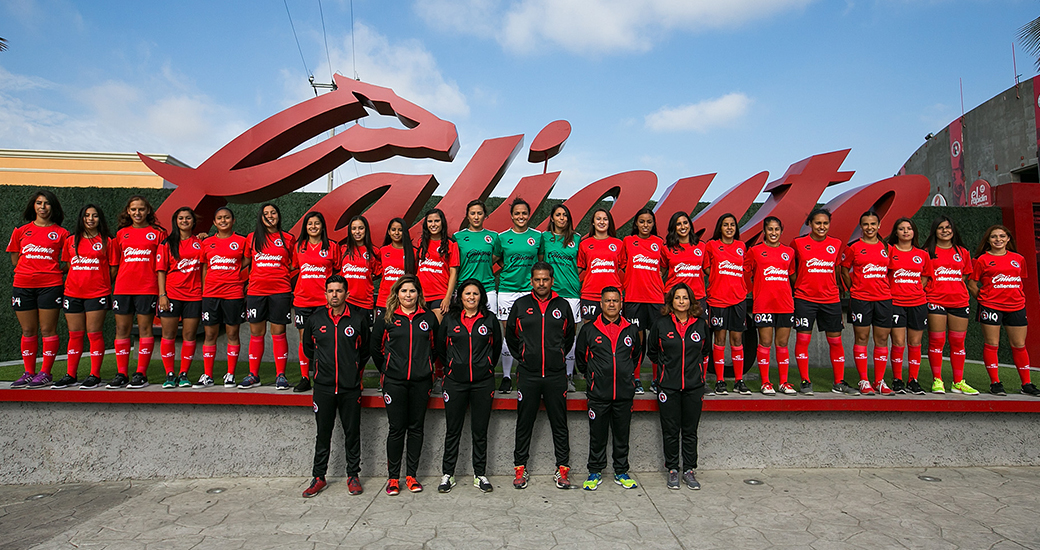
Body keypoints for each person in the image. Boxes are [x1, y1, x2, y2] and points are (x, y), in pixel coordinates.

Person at [506, 262, 576, 490]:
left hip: (556, 375)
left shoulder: (563, 305)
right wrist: (525, 357)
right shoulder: (520, 305)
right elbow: (511, 338)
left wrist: (556, 356)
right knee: (524, 422)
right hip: (529, 375)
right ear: (531, 281)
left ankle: (563, 469)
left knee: (560, 423)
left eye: (545, 279)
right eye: (537, 279)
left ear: (552, 281)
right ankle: (520, 468)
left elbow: (568, 338)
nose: (541, 283)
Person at [301, 274, 371, 498]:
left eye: (339, 291)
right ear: (325, 294)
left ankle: (353, 475)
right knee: (323, 433)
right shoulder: (315, 319)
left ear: (347, 294)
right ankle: (319, 477)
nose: (334, 295)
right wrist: (323, 370)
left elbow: (365, 351)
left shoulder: (358, 319)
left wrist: (352, 370)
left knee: (352, 433)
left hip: (350, 388)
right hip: (323, 387)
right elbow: (308, 349)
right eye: (330, 291)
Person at [371, 275, 439, 496]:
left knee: (416, 428)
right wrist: (388, 369)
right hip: (394, 382)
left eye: (412, 291)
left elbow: (436, 347)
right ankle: (393, 478)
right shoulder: (387, 317)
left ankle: (411, 476)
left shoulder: (428, 318)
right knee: (396, 428)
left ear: (418, 293)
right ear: (396, 294)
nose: (408, 295)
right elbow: (375, 348)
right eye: (403, 291)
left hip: (421, 381)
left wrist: (426, 367)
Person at [434, 279, 502, 493]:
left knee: (480, 430)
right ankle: (448, 474)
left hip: (483, 383)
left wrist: (486, 366)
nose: (471, 297)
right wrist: (453, 368)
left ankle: (480, 474)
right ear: (460, 297)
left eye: (475, 293)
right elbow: (440, 348)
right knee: (453, 430)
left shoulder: (490, 320)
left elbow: (497, 348)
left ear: (481, 296)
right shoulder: (450, 319)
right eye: (467, 294)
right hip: (455, 383)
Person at [575, 286, 641, 491]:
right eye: (607, 301)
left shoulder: (630, 329)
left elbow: (635, 356)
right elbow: (581, 359)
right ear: (601, 304)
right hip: (598, 393)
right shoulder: (589, 329)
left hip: (623, 393)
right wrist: (594, 378)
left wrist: (625, 376)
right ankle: (595, 471)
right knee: (597, 434)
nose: (611, 304)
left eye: (615, 301)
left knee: (622, 435)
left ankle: (621, 471)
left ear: (621, 304)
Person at [647, 283, 709, 490]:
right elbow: (652, 351)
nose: (681, 301)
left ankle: (689, 470)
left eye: (685, 298)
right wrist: (667, 370)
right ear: (671, 302)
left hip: (693, 386)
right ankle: (673, 469)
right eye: (677, 298)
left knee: (690, 430)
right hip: (668, 386)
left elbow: (705, 350)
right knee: (670, 430)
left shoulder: (700, 325)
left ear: (691, 301)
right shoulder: (661, 324)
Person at [967, 225, 1039, 396]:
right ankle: (995, 383)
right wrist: (985, 301)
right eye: (994, 237)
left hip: (1016, 306)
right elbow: (971, 284)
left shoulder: (1018, 259)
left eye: (1002, 236)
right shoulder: (981, 260)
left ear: (1008, 239)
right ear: (988, 240)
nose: (998, 239)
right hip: (991, 307)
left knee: (1019, 345)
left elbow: (1020, 281)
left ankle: (1026, 384)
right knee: (992, 344)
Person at [8, 190, 68, 388]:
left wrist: (50, 271)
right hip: (23, 285)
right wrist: (27, 272)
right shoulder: (21, 231)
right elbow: (15, 258)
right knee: (27, 329)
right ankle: (28, 372)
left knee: (47, 329)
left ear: (53, 207)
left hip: (50, 286)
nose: (43, 207)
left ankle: (45, 373)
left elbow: (67, 261)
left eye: (47, 203)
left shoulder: (62, 233)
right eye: (39, 203)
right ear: (33, 206)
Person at [792, 209, 856, 395]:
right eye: (818, 223)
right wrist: (801, 287)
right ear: (810, 224)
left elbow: (836, 269)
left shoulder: (836, 244)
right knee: (803, 339)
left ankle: (839, 382)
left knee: (835, 341)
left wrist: (838, 287)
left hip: (830, 299)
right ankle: (805, 381)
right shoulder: (798, 243)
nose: (822, 227)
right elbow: (792, 270)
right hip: (805, 299)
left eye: (825, 223)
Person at [109, 196, 167, 389]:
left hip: (147, 288)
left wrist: (161, 293)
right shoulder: (120, 234)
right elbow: (115, 265)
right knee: (122, 330)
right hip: (123, 288)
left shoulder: (158, 233)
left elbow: (162, 265)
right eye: (133, 209)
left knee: (145, 330)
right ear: (128, 211)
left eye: (141, 209)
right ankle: (121, 373)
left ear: (148, 211)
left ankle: (141, 373)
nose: (137, 213)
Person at [53, 204, 111, 389]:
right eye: (87, 215)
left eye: (95, 215)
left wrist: (101, 282)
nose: (91, 219)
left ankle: (94, 375)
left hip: (97, 294)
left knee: (94, 334)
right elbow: (68, 265)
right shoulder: (71, 240)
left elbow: (113, 268)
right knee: (75, 335)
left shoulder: (107, 241)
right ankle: (71, 374)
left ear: (100, 219)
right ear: (81, 218)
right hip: (72, 293)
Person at [241, 203, 296, 390]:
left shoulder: (288, 238)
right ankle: (253, 375)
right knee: (257, 333)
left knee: (278, 333)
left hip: (280, 291)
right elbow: (243, 261)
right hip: (256, 292)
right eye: (266, 213)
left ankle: (281, 375)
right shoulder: (252, 238)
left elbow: (294, 264)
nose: (270, 216)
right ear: (260, 217)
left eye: (273, 213)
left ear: (279, 216)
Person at [840, 211, 894, 396]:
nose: (869, 228)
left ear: (879, 226)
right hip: (861, 299)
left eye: (873, 224)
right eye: (865, 224)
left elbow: (892, 273)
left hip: (884, 299)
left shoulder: (887, 248)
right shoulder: (853, 248)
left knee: (882, 340)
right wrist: (853, 288)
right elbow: (844, 270)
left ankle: (879, 381)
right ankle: (864, 380)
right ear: (860, 227)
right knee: (861, 338)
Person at [196, 207, 248, 388]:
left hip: (233, 293)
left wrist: (235, 273)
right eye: (219, 218)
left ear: (233, 221)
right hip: (211, 294)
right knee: (210, 334)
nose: (223, 220)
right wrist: (204, 290)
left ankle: (230, 374)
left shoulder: (241, 241)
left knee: (232, 333)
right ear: (214, 222)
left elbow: (247, 260)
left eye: (227, 218)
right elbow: (204, 267)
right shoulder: (206, 242)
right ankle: (207, 375)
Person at [745, 217, 796, 395]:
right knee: (765, 343)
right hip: (764, 304)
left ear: (781, 231)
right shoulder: (755, 251)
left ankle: (784, 382)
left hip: (785, 305)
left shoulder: (789, 252)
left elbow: (792, 275)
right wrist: (753, 291)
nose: (773, 233)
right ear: (764, 231)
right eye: (770, 229)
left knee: (782, 344)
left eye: (776, 229)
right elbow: (745, 273)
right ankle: (765, 382)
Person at [923, 216, 974, 395]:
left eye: (948, 227)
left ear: (953, 230)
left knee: (958, 342)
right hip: (935, 300)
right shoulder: (927, 251)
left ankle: (958, 382)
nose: (945, 231)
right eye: (941, 228)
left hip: (959, 301)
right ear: (934, 231)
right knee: (937, 341)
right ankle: (938, 380)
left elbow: (965, 275)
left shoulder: (962, 252)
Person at [291, 211, 341, 393]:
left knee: (326, 339)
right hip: (303, 301)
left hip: (324, 302)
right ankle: (305, 377)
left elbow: (336, 271)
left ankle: (324, 376)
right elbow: (293, 267)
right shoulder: (299, 247)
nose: (313, 226)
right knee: (304, 340)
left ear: (322, 226)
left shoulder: (332, 247)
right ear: (306, 227)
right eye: (310, 223)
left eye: (317, 223)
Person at [496, 198, 541, 394]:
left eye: (524, 213)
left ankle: (527, 373)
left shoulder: (538, 237)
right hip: (506, 290)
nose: (521, 216)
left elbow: (541, 264)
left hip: (529, 292)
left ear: (528, 215)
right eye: (517, 213)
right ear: (512, 215)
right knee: (509, 334)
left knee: (530, 333)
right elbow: (495, 260)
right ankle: (507, 376)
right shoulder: (502, 237)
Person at [156, 207, 204, 389]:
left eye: (188, 218)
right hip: (172, 295)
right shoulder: (167, 244)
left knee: (189, 335)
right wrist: (162, 295)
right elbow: (161, 271)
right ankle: (169, 374)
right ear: (175, 221)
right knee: (168, 335)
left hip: (194, 295)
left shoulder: (200, 243)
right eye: (181, 218)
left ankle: (183, 373)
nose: (184, 221)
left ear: (193, 221)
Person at [621, 208, 665, 395]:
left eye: (649, 222)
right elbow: (623, 264)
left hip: (655, 299)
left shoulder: (659, 243)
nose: (645, 225)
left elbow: (664, 266)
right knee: (636, 343)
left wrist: (652, 280)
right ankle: (636, 379)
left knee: (657, 342)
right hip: (633, 298)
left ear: (653, 224)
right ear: (636, 224)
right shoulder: (628, 241)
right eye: (642, 221)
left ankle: (657, 380)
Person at [703, 213, 748, 395]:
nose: (729, 228)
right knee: (719, 340)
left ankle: (739, 381)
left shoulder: (741, 246)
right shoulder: (711, 246)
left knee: (737, 340)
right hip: (718, 299)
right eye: (725, 225)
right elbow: (706, 268)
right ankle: (720, 381)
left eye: (732, 225)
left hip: (738, 299)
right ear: (719, 228)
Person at [886, 218, 931, 395]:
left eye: (909, 228)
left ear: (914, 232)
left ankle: (913, 380)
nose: (906, 231)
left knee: (915, 343)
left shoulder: (923, 254)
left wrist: (915, 290)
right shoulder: (889, 251)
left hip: (918, 303)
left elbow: (925, 277)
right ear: (895, 232)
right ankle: (897, 380)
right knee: (898, 342)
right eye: (901, 229)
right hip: (895, 303)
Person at [539, 204, 582, 392]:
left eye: (565, 215)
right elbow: (540, 262)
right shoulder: (544, 238)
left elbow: (581, 265)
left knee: (569, 336)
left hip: (571, 293)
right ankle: (550, 373)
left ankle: (569, 376)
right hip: (551, 294)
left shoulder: (577, 239)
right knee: (550, 335)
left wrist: (569, 276)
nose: (562, 218)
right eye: (558, 215)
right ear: (552, 218)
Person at [577, 208, 625, 323]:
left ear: (609, 223)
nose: (602, 222)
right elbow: (578, 268)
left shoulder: (618, 244)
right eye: (598, 219)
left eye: (605, 219)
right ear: (593, 222)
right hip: (590, 294)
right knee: (589, 331)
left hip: (613, 295)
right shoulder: (585, 244)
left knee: (613, 331)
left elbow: (627, 268)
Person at [454, 199, 500, 314]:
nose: (476, 217)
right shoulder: (458, 237)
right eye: (472, 213)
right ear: (467, 216)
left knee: (490, 324)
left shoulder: (494, 236)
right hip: (464, 287)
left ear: (485, 215)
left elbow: (495, 257)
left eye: (479, 213)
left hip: (487, 288)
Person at [416, 208, 460, 321]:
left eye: (437, 221)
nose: (433, 224)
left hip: (440, 296)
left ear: (442, 223)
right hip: (421, 296)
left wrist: (447, 298)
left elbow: (453, 273)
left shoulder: (451, 244)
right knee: (423, 332)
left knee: (438, 332)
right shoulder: (421, 242)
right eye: (430, 221)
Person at [375, 217, 415, 318]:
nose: (396, 233)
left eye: (400, 230)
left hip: (405, 300)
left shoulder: (413, 252)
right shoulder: (383, 251)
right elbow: (377, 270)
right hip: (384, 299)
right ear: (389, 232)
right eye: (393, 230)